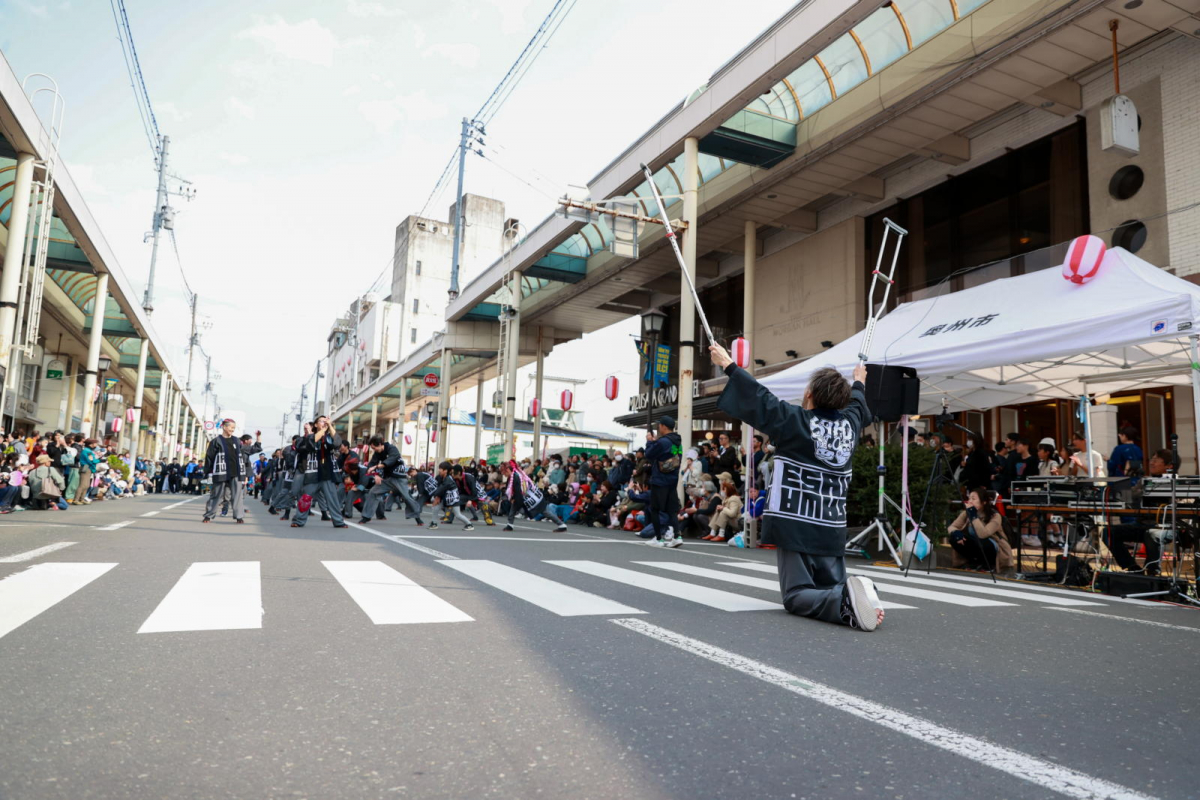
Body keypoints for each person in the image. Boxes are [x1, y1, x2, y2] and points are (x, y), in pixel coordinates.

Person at [710, 341, 884, 632]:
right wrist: (858, 380)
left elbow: (759, 398)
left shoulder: (795, 421)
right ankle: (855, 597)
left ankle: (845, 602)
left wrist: (728, 364)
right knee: (832, 585)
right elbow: (857, 405)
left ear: (809, 394)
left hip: (797, 523)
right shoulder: (850, 426)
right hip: (832, 524)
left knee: (796, 595)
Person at [1104, 449, 1172, 575]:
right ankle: (1132, 568)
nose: (1152, 463)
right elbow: (1127, 498)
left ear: (1168, 466)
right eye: (1151, 459)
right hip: (1142, 525)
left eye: (1156, 460)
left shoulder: (1175, 482)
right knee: (1108, 532)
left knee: (1151, 534)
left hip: (1166, 527)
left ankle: (1153, 572)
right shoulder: (1144, 481)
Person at [291, 416, 346, 528]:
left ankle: (338, 521)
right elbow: (311, 443)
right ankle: (299, 520)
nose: (324, 422)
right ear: (315, 424)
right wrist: (323, 430)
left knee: (333, 499)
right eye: (321, 421)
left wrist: (330, 426)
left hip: (328, 473)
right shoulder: (310, 436)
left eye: (325, 421)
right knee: (305, 498)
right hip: (313, 473)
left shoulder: (328, 437)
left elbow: (338, 443)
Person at [202, 420, 261, 523]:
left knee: (237, 495)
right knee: (217, 494)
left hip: (237, 472)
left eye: (234, 428)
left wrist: (258, 437)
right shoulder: (216, 441)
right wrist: (207, 472)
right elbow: (209, 457)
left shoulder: (237, 441)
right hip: (221, 472)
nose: (232, 430)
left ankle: (239, 516)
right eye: (231, 427)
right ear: (224, 427)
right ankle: (208, 515)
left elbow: (251, 449)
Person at [359, 435, 421, 524]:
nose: (374, 450)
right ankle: (366, 516)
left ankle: (417, 517)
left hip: (399, 478)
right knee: (373, 492)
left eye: (374, 447)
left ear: (380, 444)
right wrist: (375, 475)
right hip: (387, 479)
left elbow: (392, 459)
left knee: (407, 497)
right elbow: (371, 464)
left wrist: (379, 466)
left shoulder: (392, 448)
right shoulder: (377, 453)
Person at [947, 488, 1013, 571]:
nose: (970, 501)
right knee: (954, 538)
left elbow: (983, 534)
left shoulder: (995, 516)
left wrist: (974, 516)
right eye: (969, 498)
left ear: (983, 502)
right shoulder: (966, 513)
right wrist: (956, 533)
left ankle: (989, 564)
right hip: (976, 543)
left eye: (973, 499)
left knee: (982, 542)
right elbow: (952, 526)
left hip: (993, 546)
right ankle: (973, 562)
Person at [643, 416, 683, 547]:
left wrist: (650, 442)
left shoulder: (663, 441)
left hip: (660, 479)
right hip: (672, 478)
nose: (658, 427)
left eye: (659, 425)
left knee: (655, 509)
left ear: (664, 426)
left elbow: (648, 454)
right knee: (671, 509)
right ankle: (677, 536)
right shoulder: (677, 442)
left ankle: (659, 538)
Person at [500, 460, 567, 532]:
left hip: (529, 497)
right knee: (545, 512)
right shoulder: (514, 475)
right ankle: (510, 524)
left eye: (503, 472)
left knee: (545, 512)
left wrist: (515, 499)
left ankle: (561, 525)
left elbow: (518, 491)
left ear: (507, 470)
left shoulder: (516, 476)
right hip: (528, 496)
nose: (503, 474)